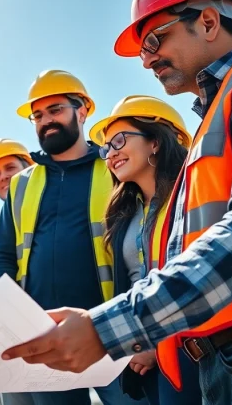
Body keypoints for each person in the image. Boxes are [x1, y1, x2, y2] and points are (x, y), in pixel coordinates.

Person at [1, 0, 232, 405]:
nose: (146, 60)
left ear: (208, 21)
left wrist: (109, 328)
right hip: (229, 353)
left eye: (155, 40)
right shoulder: (217, 115)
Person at [0, 70, 146, 405]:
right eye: (38, 115)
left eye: (55, 110)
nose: (46, 120)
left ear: (83, 111)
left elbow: (143, 244)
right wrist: (8, 313)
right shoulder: (21, 184)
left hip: (112, 332)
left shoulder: (116, 167)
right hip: (45, 340)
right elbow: (3, 256)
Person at [88, 95, 200, 405]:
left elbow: (197, 277)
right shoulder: (123, 213)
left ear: (155, 142)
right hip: (141, 357)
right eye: (106, 148)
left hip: (188, 352)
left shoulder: (192, 193)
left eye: (119, 140)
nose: (111, 153)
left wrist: (158, 341)